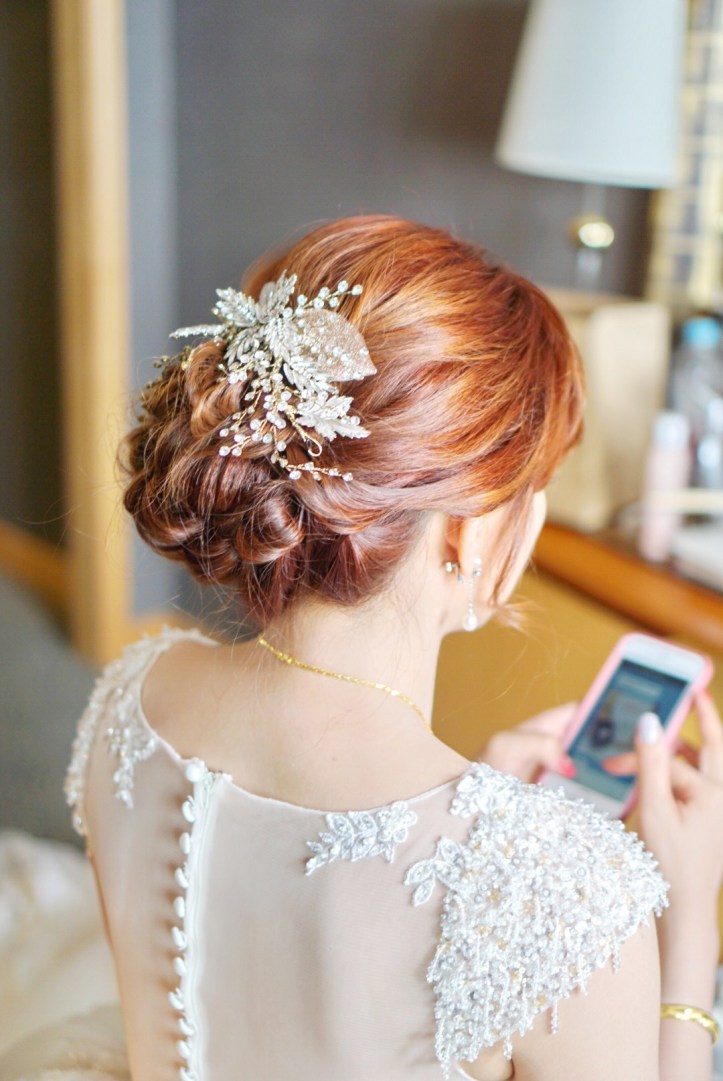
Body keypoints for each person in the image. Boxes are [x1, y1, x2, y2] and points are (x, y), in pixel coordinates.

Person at [4, 215, 723, 1081]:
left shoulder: (135, 690)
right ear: (471, 530)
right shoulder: (574, 894)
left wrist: (488, 810)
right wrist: (688, 928)